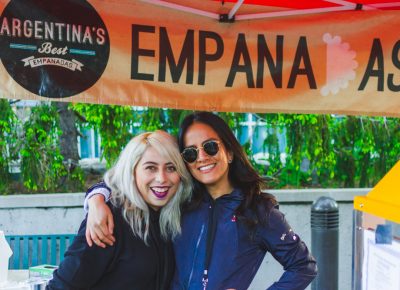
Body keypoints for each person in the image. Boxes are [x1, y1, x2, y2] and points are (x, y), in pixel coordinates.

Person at [84, 112, 317, 290]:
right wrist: (97, 197)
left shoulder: (258, 210)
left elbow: (303, 266)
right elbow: (128, 182)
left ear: (229, 152)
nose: (202, 157)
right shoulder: (179, 200)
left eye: (211, 147)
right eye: (191, 153)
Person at [46, 130, 192, 290]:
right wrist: (96, 198)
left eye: (171, 168)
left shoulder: (173, 216)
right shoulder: (108, 219)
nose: (162, 178)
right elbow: (61, 286)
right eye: (151, 168)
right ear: (132, 171)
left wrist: (97, 194)